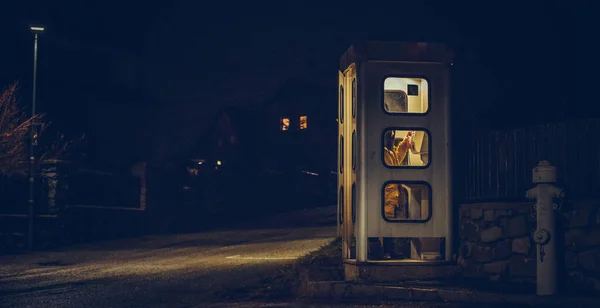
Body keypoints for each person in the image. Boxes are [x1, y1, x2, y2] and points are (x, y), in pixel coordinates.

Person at [380, 130, 413, 259]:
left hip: (393, 194)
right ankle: (385, 251)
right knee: (385, 224)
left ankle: (390, 251)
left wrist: (404, 143)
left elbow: (398, 156)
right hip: (387, 194)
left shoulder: (390, 152)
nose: (390, 140)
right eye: (389, 137)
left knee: (389, 225)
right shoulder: (382, 153)